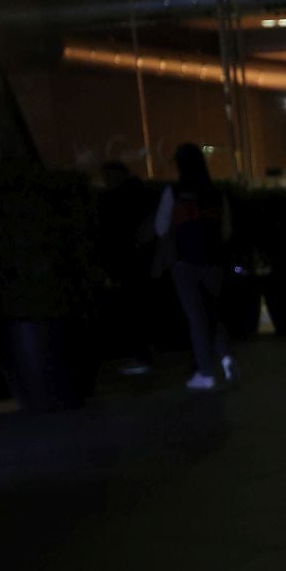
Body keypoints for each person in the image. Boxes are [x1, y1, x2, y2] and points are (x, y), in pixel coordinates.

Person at [154, 143, 237, 391]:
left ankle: (205, 372)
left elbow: (160, 227)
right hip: (213, 260)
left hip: (184, 261)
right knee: (213, 313)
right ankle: (227, 359)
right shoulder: (215, 193)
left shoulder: (174, 192)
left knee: (196, 317)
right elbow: (226, 231)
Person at [95, 161, 158, 375]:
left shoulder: (116, 201)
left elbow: (112, 236)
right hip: (141, 261)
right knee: (141, 309)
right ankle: (144, 354)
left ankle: (142, 356)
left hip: (129, 263)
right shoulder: (141, 195)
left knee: (133, 310)